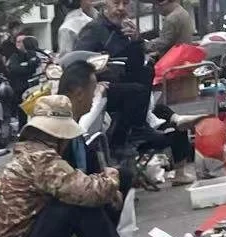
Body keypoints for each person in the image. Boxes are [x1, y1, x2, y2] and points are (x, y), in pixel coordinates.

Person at [0, 95, 144, 237]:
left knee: (90, 193)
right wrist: (112, 178)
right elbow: (86, 192)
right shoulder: (40, 159)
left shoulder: (30, 153)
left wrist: (109, 185)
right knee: (75, 206)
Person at [78, 0, 195, 182]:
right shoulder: (94, 29)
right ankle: (134, 132)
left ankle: (152, 128)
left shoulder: (124, 29)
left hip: (130, 94)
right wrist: (98, 77)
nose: (121, 8)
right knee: (137, 91)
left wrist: (136, 41)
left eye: (125, 4)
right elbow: (80, 62)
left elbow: (136, 64)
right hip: (102, 91)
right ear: (105, 4)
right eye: (116, 3)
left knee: (147, 75)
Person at [7, 34, 44, 100]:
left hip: (35, 86)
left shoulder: (33, 53)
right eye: (18, 42)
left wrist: (26, 65)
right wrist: (29, 66)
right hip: (20, 88)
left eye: (22, 41)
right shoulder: (14, 56)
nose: (19, 43)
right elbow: (15, 69)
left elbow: (37, 63)